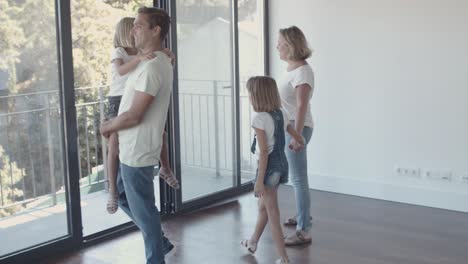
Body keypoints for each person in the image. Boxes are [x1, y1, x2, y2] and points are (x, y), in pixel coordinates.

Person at [100, 7, 174, 264]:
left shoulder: (152, 67)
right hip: (133, 146)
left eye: (139, 25)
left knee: (146, 212)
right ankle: (160, 243)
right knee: (124, 197)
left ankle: (156, 255)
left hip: (138, 149)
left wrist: (109, 127)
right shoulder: (153, 61)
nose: (133, 30)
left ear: (155, 31)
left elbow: (134, 115)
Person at [105, 17, 179, 215]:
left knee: (159, 133)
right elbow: (120, 71)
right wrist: (138, 58)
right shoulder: (120, 51)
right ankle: (112, 189)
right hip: (118, 100)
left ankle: (165, 168)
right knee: (114, 146)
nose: (136, 32)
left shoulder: (141, 53)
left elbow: (155, 56)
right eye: (134, 28)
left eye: (138, 28)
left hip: (135, 97)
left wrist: (166, 53)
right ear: (125, 32)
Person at [241, 76, 304, 264]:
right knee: (263, 208)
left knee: (273, 213)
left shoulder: (259, 118)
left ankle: (284, 258)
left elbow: (263, 153)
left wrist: (259, 181)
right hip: (281, 165)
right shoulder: (280, 113)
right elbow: (292, 132)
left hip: (268, 169)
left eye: (250, 94)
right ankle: (253, 242)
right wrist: (299, 141)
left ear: (257, 96)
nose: (249, 98)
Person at [276, 25, 315, 246]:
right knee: (296, 178)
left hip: (298, 130)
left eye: (280, 42)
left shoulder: (303, 72)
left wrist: (297, 136)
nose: (277, 46)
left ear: (290, 45)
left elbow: (301, 106)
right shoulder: (292, 69)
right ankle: (303, 216)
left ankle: (304, 230)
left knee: (299, 178)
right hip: (290, 130)